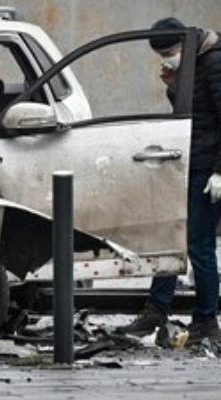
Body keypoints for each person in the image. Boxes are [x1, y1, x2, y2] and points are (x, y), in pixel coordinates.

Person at [118, 17, 221, 344]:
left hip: (207, 167)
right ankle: (156, 310)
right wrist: (174, 85)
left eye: (169, 53)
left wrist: (219, 171)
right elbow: (190, 113)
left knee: (199, 244)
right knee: (170, 237)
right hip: (188, 163)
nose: (167, 58)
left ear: (184, 45)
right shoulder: (190, 65)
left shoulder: (214, 62)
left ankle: (206, 321)